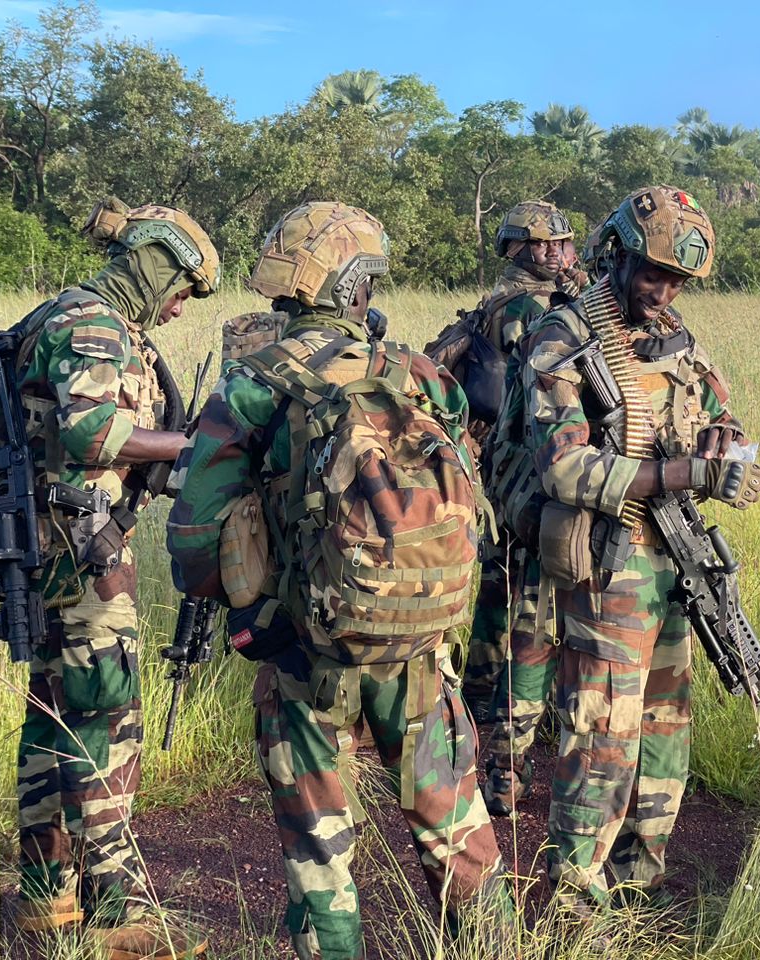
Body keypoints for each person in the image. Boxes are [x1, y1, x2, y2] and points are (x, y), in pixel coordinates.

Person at [167, 201, 507, 960]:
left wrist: (244, 609)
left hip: (306, 659)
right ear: (362, 286)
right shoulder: (419, 375)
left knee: (322, 859)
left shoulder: (255, 385)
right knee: (459, 836)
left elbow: (192, 535)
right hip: (422, 646)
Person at [514, 185, 760, 909]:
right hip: (609, 557)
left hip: (675, 555)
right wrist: (685, 471)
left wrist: (726, 441)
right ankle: (573, 895)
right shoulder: (565, 338)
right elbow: (562, 467)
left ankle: (639, 877)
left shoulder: (678, 337)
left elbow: (722, 416)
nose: (664, 292)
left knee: (664, 726)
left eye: (678, 280)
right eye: (654, 274)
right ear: (618, 257)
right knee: (601, 734)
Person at [15, 198, 218, 958]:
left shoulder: (74, 315)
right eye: (181, 288)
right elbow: (88, 429)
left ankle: (46, 900)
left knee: (53, 721)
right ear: (156, 263)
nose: (177, 307)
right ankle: (120, 920)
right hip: (83, 557)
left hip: (57, 550)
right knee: (106, 723)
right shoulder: (95, 322)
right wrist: (185, 446)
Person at [462, 200, 583, 722]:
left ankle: (479, 692)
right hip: (524, 459)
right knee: (530, 588)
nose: (556, 252)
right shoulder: (529, 306)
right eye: (543, 243)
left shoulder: (507, 297)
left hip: (502, 454)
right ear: (516, 247)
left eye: (562, 242)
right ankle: (514, 706)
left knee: (500, 574)